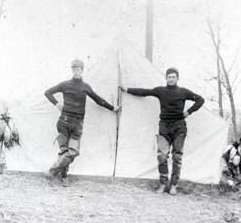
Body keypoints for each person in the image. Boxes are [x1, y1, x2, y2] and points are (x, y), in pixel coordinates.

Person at [120, 67, 204, 195]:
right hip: (164, 126)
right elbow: (145, 92)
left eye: (173, 77)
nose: (171, 79)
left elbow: (200, 100)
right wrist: (127, 89)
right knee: (162, 156)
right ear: (166, 78)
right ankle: (163, 183)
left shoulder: (183, 92)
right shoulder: (161, 91)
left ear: (177, 78)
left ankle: (174, 185)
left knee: (177, 157)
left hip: (179, 127)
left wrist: (188, 112)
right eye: (169, 77)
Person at [44, 59, 119, 186]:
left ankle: (52, 171)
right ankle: (64, 177)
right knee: (63, 151)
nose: (76, 72)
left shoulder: (85, 87)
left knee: (72, 152)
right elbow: (47, 92)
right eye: (74, 69)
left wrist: (112, 108)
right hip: (64, 122)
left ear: (82, 70)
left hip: (77, 124)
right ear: (71, 70)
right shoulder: (65, 85)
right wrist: (57, 104)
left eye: (78, 69)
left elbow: (98, 100)